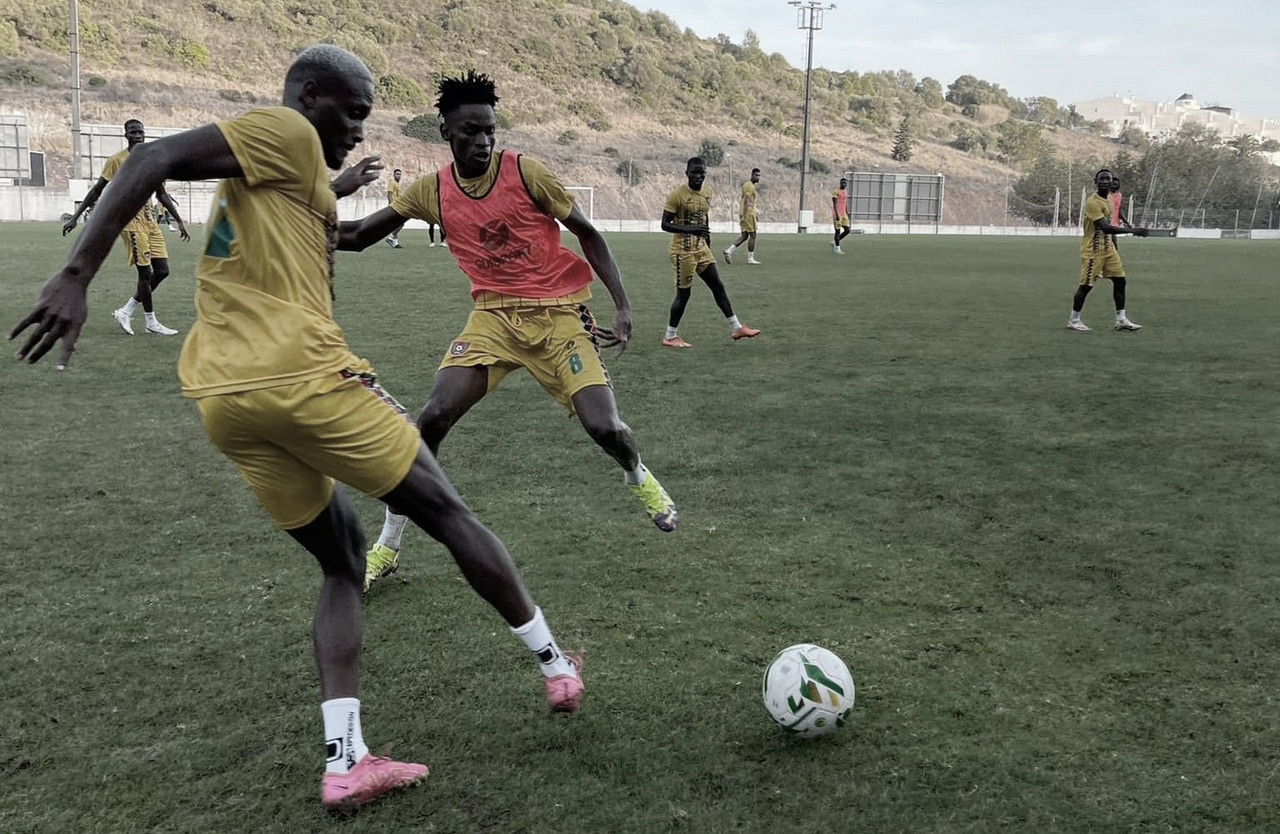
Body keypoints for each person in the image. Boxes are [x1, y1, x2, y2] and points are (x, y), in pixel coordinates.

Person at [10, 45, 584, 810]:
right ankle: (556, 667)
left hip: (225, 400)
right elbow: (149, 160)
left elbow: (280, 217)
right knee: (446, 511)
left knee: (343, 560)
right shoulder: (282, 130)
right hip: (307, 382)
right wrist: (76, 273)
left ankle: (346, 760)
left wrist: (337, 190)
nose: (354, 128)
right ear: (308, 96)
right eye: (348, 113)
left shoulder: (288, 173)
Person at [331, 70, 679, 591]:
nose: (484, 140)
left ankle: (637, 474)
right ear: (446, 131)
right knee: (432, 418)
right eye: (471, 131)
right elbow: (356, 237)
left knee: (607, 429)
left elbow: (586, 232)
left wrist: (623, 306)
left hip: (558, 315)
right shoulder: (434, 191)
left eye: (490, 129)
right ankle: (388, 544)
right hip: (492, 319)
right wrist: (318, 196)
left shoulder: (525, 172)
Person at [62, 119, 191, 336]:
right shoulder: (116, 161)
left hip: (150, 220)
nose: (138, 135)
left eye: (140, 132)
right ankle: (150, 321)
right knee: (145, 273)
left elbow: (161, 193)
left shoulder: (151, 158)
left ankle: (126, 310)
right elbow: (97, 190)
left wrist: (178, 220)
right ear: (126, 135)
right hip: (129, 220)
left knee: (162, 270)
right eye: (133, 132)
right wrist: (75, 216)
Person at [659, 157, 761, 349]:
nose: (698, 176)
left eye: (701, 173)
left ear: (705, 174)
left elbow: (704, 217)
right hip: (683, 251)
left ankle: (737, 328)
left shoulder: (707, 192)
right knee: (684, 295)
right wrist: (691, 231)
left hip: (701, 249)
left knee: (718, 286)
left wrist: (707, 239)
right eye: (694, 173)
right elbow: (664, 224)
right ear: (687, 173)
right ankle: (670, 336)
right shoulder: (677, 195)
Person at [1067, 168, 1149, 332]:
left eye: (1108, 179)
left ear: (1112, 182)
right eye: (1102, 179)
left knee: (1120, 281)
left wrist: (1114, 248)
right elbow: (1105, 228)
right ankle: (1074, 320)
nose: (1105, 182)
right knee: (1086, 286)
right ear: (1096, 182)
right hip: (1093, 251)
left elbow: (1111, 225)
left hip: (1108, 250)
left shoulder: (1111, 199)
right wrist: (1134, 231)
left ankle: (1121, 320)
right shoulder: (1093, 202)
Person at [722, 168, 761, 265]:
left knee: (744, 236)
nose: (758, 177)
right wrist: (745, 215)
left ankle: (729, 251)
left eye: (759, 175)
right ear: (751, 175)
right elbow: (747, 201)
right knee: (753, 235)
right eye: (756, 175)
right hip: (748, 213)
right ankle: (750, 259)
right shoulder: (749, 186)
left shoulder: (747, 185)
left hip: (747, 213)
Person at [384, 168, 405, 248]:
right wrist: (391, 205)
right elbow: (389, 194)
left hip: (397, 206)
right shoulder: (392, 182)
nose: (398, 176)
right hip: (394, 206)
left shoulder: (397, 184)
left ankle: (395, 242)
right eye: (397, 174)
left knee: (397, 224)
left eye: (400, 174)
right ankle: (391, 237)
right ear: (394, 175)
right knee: (401, 223)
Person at [831, 177, 851, 254]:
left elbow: (845, 202)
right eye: (843, 183)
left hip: (844, 213)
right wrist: (836, 214)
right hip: (837, 213)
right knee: (837, 231)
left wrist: (846, 211)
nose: (844, 184)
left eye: (845, 183)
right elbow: (834, 203)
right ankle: (837, 248)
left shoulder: (845, 192)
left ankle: (835, 242)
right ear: (840, 183)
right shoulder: (836, 191)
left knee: (847, 230)